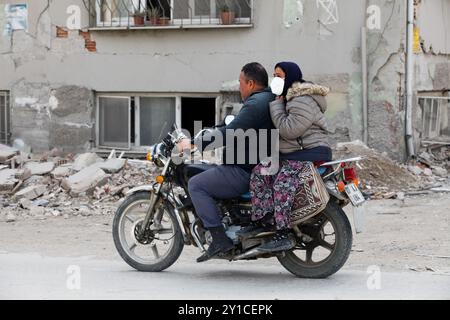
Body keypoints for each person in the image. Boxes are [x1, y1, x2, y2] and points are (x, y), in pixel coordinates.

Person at [176, 62, 275, 262]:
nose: (239, 86)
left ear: (250, 83)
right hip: (254, 165)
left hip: (243, 170)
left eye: (240, 82)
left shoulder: (256, 104)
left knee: (196, 184)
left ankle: (219, 239)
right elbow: (234, 124)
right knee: (208, 172)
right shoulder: (266, 99)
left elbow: (230, 133)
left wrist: (193, 144)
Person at [248, 61, 332, 252]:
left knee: (282, 183)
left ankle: (282, 233)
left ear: (291, 77)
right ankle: (267, 222)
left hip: (309, 152)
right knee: (260, 173)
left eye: (279, 76)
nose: (275, 79)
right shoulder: (290, 98)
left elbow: (289, 130)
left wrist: (276, 105)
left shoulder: (302, 99)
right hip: (297, 152)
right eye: (274, 75)